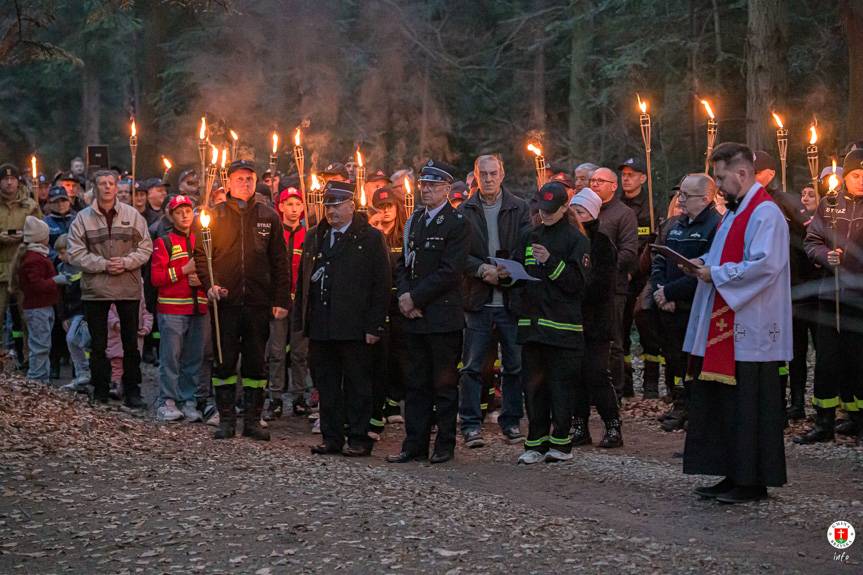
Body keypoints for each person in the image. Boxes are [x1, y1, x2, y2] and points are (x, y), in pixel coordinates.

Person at [682, 142, 791, 503]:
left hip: (753, 328)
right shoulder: (734, 212)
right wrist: (700, 264)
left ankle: (752, 481)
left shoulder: (765, 214)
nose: (718, 184)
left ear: (742, 174)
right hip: (730, 323)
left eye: (720, 177)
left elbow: (765, 265)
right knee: (729, 405)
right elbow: (722, 256)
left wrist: (716, 272)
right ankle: (733, 473)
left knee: (748, 405)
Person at [193, 159, 290, 441]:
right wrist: (210, 286)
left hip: (259, 303)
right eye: (239, 179)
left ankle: (252, 420)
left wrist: (281, 299)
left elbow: (280, 261)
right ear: (229, 182)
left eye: (249, 179)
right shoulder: (214, 215)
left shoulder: (269, 216)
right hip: (225, 303)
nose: (245, 184)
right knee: (224, 362)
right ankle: (225, 420)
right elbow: (202, 257)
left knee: (256, 363)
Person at [294, 180, 390, 456]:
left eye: (337, 205)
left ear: (352, 205)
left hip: (355, 325)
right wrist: (303, 321)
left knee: (358, 384)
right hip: (322, 324)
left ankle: (359, 437)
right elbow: (304, 280)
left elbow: (381, 284)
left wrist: (375, 325)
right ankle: (332, 436)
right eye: (328, 206)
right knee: (326, 383)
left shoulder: (371, 238)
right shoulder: (316, 236)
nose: (332, 211)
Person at [387, 160, 469, 465]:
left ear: (447, 188)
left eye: (433, 185)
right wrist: (405, 295)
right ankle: (414, 443)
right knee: (416, 383)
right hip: (415, 318)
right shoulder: (416, 221)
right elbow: (404, 263)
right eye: (424, 184)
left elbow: (450, 272)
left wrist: (416, 298)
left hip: (442, 317)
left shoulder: (457, 223)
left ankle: (444, 444)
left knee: (444, 385)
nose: (427, 190)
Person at [506, 182, 590, 464]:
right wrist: (507, 277)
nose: (545, 214)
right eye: (542, 209)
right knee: (533, 388)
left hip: (563, 328)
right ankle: (535, 443)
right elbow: (517, 275)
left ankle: (561, 443)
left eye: (552, 210)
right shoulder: (529, 236)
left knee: (560, 388)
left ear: (565, 207)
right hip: (532, 327)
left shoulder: (577, 240)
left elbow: (579, 285)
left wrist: (552, 263)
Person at [458, 154, 530, 448]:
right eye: (482, 174)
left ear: (502, 174)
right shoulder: (464, 210)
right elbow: (457, 254)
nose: (488, 179)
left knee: (514, 365)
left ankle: (511, 421)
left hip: (511, 299)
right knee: (473, 366)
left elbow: (527, 243)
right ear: (475, 176)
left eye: (493, 173)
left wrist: (506, 268)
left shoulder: (519, 207)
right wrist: (480, 269)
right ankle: (471, 424)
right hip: (478, 299)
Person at [67, 170, 153, 407]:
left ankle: (132, 391)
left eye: (111, 183)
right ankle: (101, 389)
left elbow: (146, 247)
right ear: (95, 188)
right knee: (98, 344)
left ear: (117, 187)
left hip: (128, 287)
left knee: (130, 344)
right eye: (102, 183)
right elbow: (75, 252)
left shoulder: (133, 216)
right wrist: (103, 265)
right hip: (96, 289)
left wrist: (126, 262)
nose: (107, 187)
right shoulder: (82, 219)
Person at [797, 148, 863, 445]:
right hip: (830, 293)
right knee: (827, 358)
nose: (861, 181)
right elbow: (811, 242)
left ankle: (857, 417)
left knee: (857, 357)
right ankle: (824, 420)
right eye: (856, 175)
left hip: (858, 295)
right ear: (844, 177)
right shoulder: (829, 204)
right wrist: (826, 256)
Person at [651, 174, 721, 432]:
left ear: (706, 198)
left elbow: (705, 270)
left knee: (694, 362)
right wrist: (660, 290)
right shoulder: (675, 225)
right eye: (680, 194)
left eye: (685, 196)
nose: (679, 200)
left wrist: (670, 292)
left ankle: (696, 409)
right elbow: (660, 258)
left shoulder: (715, 226)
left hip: (693, 307)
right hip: (668, 305)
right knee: (674, 359)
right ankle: (679, 404)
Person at [569, 188, 622, 448]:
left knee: (597, 372)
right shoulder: (570, 239)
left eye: (581, 211)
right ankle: (579, 424)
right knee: (576, 373)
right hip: (573, 318)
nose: (576, 215)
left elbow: (601, 283)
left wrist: (573, 288)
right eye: (574, 211)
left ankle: (612, 424)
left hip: (597, 320)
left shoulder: (601, 243)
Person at [151, 195, 208, 422]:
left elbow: (212, 271)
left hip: (198, 308)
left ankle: (189, 400)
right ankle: (167, 400)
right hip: (172, 309)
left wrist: (202, 280)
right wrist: (184, 270)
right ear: (170, 215)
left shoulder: (202, 240)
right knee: (171, 357)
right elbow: (157, 278)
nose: (184, 215)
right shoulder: (163, 242)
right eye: (179, 211)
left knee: (194, 358)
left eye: (188, 210)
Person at [589, 167, 639, 400]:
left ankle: (615, 390)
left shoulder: (623, 214)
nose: (595, 184)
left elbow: (629, 251)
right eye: (592, 180)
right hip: (586, 285)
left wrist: (604, 268)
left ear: (614, 185)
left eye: (601, 180)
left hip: (613, 286)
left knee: (613, 338)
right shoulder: (586, 211)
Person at [367, 185, 409, 436]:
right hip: (378, 304)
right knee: (378, 357)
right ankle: (379, 403)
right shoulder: (372, 234)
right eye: (380, 207)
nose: (385, 212)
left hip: (399, 303)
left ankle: (394, 400)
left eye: (389, 206)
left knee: (399, 354)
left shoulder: (404, 234)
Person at [618, 157, 661, 398]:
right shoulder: (616, 206)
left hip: (644, 277)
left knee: (649, 333)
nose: (626, 178)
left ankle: (651, 385)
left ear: (643, 178)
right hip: (623, 277)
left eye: (632, 174)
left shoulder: (652, 206)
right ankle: (625, 385)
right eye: (624, 174)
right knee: (621, 331)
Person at [264, 188, 308, 420]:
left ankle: (300, 395)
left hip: (300, 303)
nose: (293, 209)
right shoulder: (274, 233)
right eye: (288, 204)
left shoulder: (308, 235)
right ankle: (276, 398)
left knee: (300, 353)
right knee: (277, 352)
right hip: (278, 302)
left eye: (297, 204)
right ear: (280, 207)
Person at [11, 216, 62, 383]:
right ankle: (37, 380)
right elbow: (35, 285)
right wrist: (55, 281)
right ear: (41, 237)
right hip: (37, 307)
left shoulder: (36, 255)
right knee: (40, 345)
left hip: (42, 306)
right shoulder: (34, 258)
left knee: (42, 344)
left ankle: (41, 378)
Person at [54, 234, 91, 392]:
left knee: (78, 340)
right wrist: (63, 317)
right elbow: (60, 297)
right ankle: (82, 373)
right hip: (71, 313)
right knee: (73, 341)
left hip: (82, 311)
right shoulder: (61, 268)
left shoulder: (84, 267)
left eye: (63, 252)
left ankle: (85, 372)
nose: (60, 256)